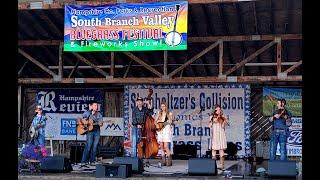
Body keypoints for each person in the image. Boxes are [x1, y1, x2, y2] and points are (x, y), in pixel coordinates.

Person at [80, 101, 103, 166]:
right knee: (88, 146)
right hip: (89, 131)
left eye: (97, 105)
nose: (96, 107)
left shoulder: (99, 114)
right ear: (91, 106)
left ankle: (92, 161)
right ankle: (84, 161)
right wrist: (85, 124)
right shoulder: (87, 113)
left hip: (97, 131)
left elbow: (101, 124)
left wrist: (100, 123)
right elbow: (81, 120)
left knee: (95, 146)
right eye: (95, 105)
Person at [208, 104, 228, 170]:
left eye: (220, 109)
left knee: (221, 149)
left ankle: (222, 165)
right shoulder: (211, 117)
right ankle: (213, 166)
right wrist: (215, 118)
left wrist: (224, 121)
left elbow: (222, 126)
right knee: (214, 149)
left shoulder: (222, 116)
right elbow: (209, 126)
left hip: (221, 134)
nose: (219, 111)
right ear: (214, 110)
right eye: (217, 109)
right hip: (215, 134)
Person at [154, 102, 174, 166]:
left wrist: (166, 123)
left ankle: (169, 161)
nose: (163, 107)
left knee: (166, 146)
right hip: (160, 131)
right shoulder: (159, 113)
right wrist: (157, 125)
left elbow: (170, 122)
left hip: (166, 130)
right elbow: (155, 121)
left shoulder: (169, 113)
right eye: (161, 106)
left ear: (166, 107)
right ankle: (163, 161)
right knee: (161, 146)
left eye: (164, 106)